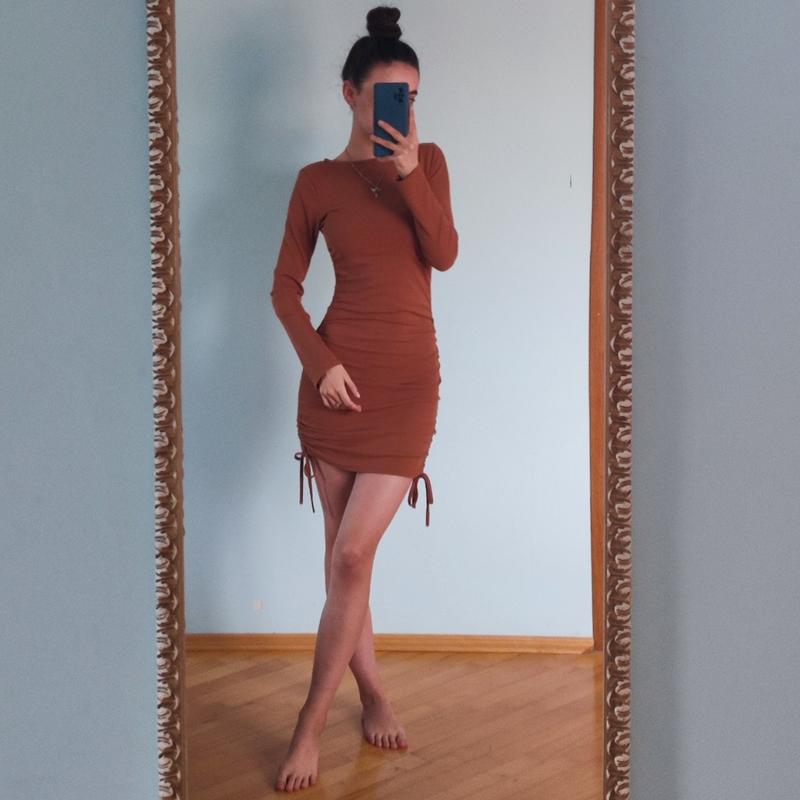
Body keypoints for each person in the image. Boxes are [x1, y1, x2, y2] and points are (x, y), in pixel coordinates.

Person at [269, 5, 458, 792]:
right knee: (345, 561)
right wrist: (319, 365)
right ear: (351, 93)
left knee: (351, 555)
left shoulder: (429, 163)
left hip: (407, 386)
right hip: (336, 387)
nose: (401, 109)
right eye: (387, 94)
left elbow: (443, 254)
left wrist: (409, 173)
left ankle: (310, 724)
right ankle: (373, 691)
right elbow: (284, 290)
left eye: (410, 96)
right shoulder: (316, 182)